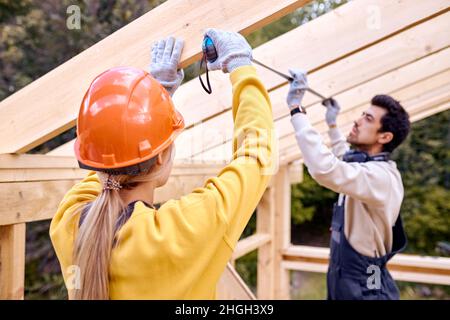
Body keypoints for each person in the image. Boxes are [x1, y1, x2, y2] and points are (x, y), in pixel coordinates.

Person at [50, 29, 275, 299]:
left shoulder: (68, 221)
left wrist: (152, 101)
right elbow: (257, 157)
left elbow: (107, 162)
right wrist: (241, 66)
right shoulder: (186, 228)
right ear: (160, 158)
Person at [286, 69, 410, 300]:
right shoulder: (366, 167)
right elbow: (345, 158)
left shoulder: (381, 177)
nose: (357, 120)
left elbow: (327, 169)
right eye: (363, 114)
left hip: (366, 282)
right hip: (342, 275)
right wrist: (332, 126)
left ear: (385, 137)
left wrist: (297, 110)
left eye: (368, 119)